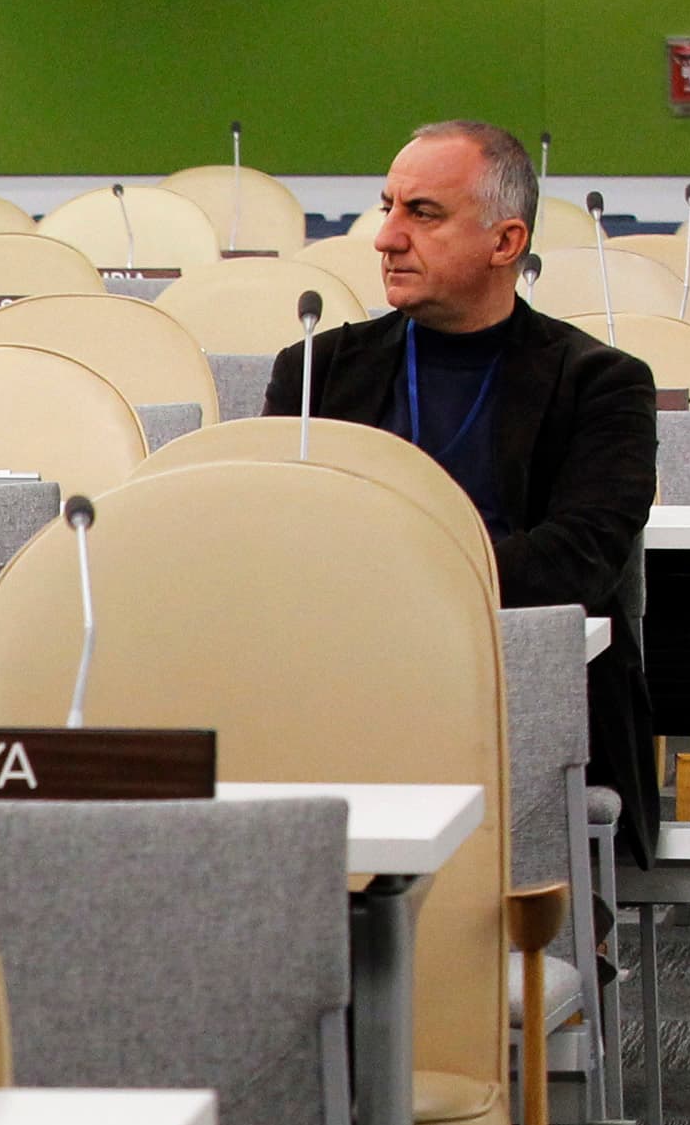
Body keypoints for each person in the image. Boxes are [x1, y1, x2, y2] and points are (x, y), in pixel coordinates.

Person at [265, 119, 661, 855]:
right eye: (388, 207)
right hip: (339, 680)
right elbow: (276, 543)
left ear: (506, 243)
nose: (385, 237)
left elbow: (580, 560)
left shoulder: (600, 385)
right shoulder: (317, 372)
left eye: (422, 214)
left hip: (517, 688)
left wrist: (411, 599)